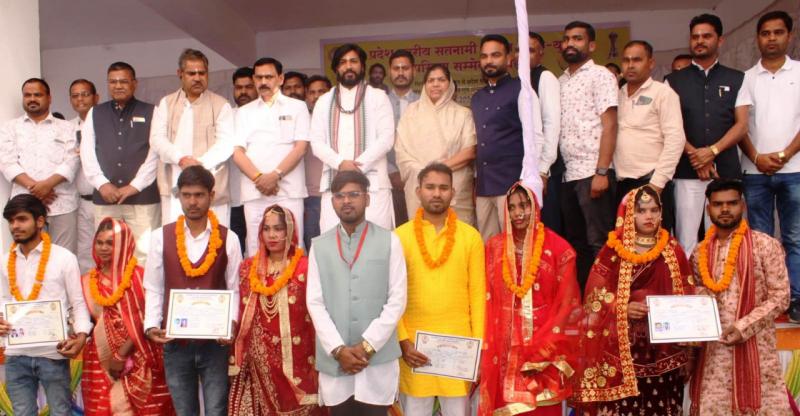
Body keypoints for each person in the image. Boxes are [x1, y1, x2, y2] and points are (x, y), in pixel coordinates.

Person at [573, 186, 693, 415]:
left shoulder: (673, 250)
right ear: (629, 214)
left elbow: (686, 296)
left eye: (654, 210)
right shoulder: (613, 250)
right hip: (622, 352)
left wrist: (690, 353)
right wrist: (622, 307)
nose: (649, 216)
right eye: (641, 210)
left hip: (665, 352)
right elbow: (593, 297)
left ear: (661, 213)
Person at [142, 166, 243, 416]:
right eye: (186, 195)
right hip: (175, 343)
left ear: (212, 195)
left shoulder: (228, 238)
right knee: (184, 411)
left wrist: (231, 325)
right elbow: (154, 287)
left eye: (199, 195)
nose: (192, 202)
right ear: (178, 196)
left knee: (217, 410)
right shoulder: (160, 237)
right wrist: (151, 325)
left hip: (215, 344)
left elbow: (235, 289)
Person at [306, 170, 407, 415]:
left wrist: (368, 345)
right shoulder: (319, 245)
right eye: (340, 196)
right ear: (332, 202)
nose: (347, 201)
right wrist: (338, 349)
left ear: (367, 199)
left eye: (354, 194)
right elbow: (315, 302)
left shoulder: (390, 241)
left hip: (376, 361)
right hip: (336, 361)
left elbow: (397, 299)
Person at [688, 178, 792, 415]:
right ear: (708, 209)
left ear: (743, 206)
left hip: (756, 348)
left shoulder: (765, 245)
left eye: (732, 203)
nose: (725, 209)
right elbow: (694, 297)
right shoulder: (699, 253)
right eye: (718, 204)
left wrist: (743, 326)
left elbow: (780, 296)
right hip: (714, 354)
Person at [479, 182, 581, 416]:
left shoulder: (558, 249)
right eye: (512, 207)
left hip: (545, 345)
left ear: (535, 207)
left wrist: (544, 345)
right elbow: (487, 297)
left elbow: (568, 303)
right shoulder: (494, 247)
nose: (518, 213)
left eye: (524, 205)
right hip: (503, 349)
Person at [394, 163, 484, 415]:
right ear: (418, 191)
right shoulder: (399, 237)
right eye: (430, 187)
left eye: (443, 188)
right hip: (414, 349)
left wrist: (478, 349)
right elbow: (391, 296)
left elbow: (478, 296)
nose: (436, 193)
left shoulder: (470, 237)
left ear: (453, 193)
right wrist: (403, 341)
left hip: (459, 349)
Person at [0, 194, 92, 416]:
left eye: (22, 219)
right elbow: (3, 300)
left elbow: (78, 303)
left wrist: (81, 337)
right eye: (11, 221)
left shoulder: (64, 258)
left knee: (60, 412)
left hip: (54, 353)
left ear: (40, 221)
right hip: (16, 354)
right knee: (22, 413)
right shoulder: (4, 261)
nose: (15, 226)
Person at [735, 10, 800, 320]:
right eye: (765, 33)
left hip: (795, 169)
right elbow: (740, 125)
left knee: (795, 238)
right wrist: (757, 157)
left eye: (778, 32)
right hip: (754, 172)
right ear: (757, 38)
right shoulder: (745, 78)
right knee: (760, 239)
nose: (771, 38)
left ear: (790, 35)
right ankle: (764, 299)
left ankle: (796, 297)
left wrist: (784, 155)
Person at [228, 204, 322, 415]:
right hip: (258, 362)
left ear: (290, 231)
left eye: (278, 229)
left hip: (297, 359)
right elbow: (240, 310)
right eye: (267, 229)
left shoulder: (305, 267)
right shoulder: (248, 268)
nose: (272, 235)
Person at [665, 13, 746, 257]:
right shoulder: (672, 81)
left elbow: (741, 125)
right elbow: (670, 127)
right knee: (686, 239)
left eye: (706, 36)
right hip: (687, 171)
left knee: (725, 237)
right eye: (695, 37)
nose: (700, 41)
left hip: (725, 171)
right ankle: (689, 282)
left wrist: (711, 152)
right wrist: (696, 157)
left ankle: (724, 281)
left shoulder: (738, 78)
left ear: (720, 40)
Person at [80, 217, 174, 415]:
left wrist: (121, 354)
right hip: (101, 359)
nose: (103, 248)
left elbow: (146, 318)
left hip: (140, 354)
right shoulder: (88, 280)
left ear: (125, 245)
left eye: (110, 243)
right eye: (99, 242)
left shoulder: (140, 276)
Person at [80, 61, 161, 263]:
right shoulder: (95, 113)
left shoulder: (152, 111)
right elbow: (87, 152)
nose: (118, 86)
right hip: (106, 198)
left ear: (134, 83)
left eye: (123, 81)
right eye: (113, 82)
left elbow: (155, 153)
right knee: (107, 255)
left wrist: (135, 186)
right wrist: (102, 184)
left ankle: (141, 287)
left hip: (142, 199)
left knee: (144, 255)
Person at [310, 43, 395, 232]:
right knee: (334, 242)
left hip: (374, 186)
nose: (348, 66)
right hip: (334, 185)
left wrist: (358, 165)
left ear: (362, 66)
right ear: (336, 69)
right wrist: (340, 163)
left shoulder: (378, 97)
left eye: (353, 61)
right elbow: (316, 142)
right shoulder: (323, 101)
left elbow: (387, 138)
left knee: (377, 242)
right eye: (343, 62)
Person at [559, 21, 619, 286]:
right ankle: (585, 300)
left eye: (577, 38)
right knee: (576, 244)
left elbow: (610, 125)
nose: (570, 44)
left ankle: (606, 303)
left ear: (591, 45)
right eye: (566, 39)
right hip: (568, 175)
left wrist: (602, 171)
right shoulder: (561, 81)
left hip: (593, 173)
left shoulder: (601, 75)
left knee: (600, 244)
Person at [233, 57, 310, 255]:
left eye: (269, 77)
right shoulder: (243, 112)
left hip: (289, 191)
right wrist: (260, 179)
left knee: (293, 247)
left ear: (280, 78)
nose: (263, 82)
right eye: (259, 77)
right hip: (255, 191)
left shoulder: (297, 107)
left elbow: (300, 148)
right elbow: (237, 152)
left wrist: (275, 176)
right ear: (254, 79)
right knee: (255, 249)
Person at [150, 49, 236, 227]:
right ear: (180, 74)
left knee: (215, 238)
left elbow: (226, 143)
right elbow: (157, 139)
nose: (197, 78)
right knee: (174, 237)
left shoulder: (221, 104)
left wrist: (198, 165)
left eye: (202, 73)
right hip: (174, 184)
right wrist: (181, 159)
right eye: (191, 73)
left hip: (211, 185)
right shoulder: (166, 103)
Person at [472, 34, 545, 240]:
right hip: (484, 186)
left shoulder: (522, 90)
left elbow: (536, 137)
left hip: (513, 184)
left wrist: (529, 177)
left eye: (495, 55)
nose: (489, 61)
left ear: (509, 58)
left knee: (517, 243)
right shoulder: (477, 98)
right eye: (484, 56)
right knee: (488, 245)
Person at [0, 78, 79, 252]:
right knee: (28, 257)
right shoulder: (10, 128)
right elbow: (7, 162)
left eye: (38, 95)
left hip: (62, 202)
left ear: (49, 98)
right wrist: (37, 188)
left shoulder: (68, 128)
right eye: (27, 95)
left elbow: (72, 160)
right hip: (24, 205)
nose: (32, 99)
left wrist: (47, 185)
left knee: (65, 256)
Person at [615, 40, 686, 231]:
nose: (630, 65)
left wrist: (657, 184)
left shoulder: (663, 93)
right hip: (621, 185)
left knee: (657, 242)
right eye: (626, 60)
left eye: (637, 60)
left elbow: (675, 140)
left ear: (651, 63)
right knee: (625, 241)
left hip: (652, 182)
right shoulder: (616, 95)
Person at [395, 65, 476, 224]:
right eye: (431, 80)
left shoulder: (463, 114)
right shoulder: (411, 112)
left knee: (457, 234)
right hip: (419, 182)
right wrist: (424, 175)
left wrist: (436, 171)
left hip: (455, 187)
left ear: (449, 83)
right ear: (425, 85)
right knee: (422, 234)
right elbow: (401, 151)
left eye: (441, 80)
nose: (436, 84)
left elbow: (469, 151)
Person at [516, 31, 563, 235]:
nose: (523, 56)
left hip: (545, 172)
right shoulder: (520, 81)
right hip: (529, 171)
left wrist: (543, 170)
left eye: (530, 50)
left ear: (541, 54)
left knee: (548, 231)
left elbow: (551, 125)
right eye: (519, 50)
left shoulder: (545, 77)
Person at [69, 79, 100, 273]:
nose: (80, 99)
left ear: (96, 98)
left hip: (105, 199)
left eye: (85, 94)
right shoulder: (67, 128)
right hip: (81, 201)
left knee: (109, 248)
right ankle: (88, 290)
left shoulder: (107, 123)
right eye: (75, 95)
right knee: (84, 252)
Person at [387, 49, 420, 227]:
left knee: (419, 229)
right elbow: (374, 140)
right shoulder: (380, 103)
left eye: (405, 68)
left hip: (418, 178)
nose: (400, 73)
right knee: (393, 231)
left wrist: (412, 171)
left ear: (414, 70)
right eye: (396, 68)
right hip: (387, 180)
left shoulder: (423, 103)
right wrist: (392, 172)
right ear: (390, 71)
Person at [229, 67, 260, 254]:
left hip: (261, 192)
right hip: (234, 196)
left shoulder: (265, 114)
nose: (243, 92)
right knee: (237, 249)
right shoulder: (227, 115)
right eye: (238, 87)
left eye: (248, 87)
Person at [303, 75, 332, 249]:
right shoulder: (302, 121)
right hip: (311, 196)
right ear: (306, 96)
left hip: (335, 193)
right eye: (312, 92)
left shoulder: (340, 121)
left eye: (321, 91)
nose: (316, 96)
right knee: (314, 247)